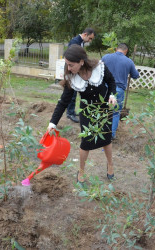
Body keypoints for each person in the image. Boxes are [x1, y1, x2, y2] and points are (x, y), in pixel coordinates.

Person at [47, 44, 117, 183]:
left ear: (81, 62)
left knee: (106, 139)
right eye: (67, 64)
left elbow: (111, 81)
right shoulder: (72, 79)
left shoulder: (99, 68)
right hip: (87, 112)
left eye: (71, 65)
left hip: (104, 110)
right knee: (85, 142)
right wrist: (52, 123)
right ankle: (81, 171)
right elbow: (63, 102)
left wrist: (112, 95)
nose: (68, 68)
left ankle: (110, 164)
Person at [101, 43, 139, 139]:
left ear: (116, 49)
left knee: (103, 109)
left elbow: (98, 69)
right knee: (115, 112)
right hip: (118, 90)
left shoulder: (106, 57)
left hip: (104, 88)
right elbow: (135, 76)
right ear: (125, 52)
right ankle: (111, 135)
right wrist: (132, 66)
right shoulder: (128, 61)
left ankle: (100, 131)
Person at [65, 28, 96, 123]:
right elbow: (71, 58)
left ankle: (72, 111)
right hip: (72, 71)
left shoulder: (80, 42)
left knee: (75, 91)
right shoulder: (75, 42)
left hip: (76, 71)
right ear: (85, 34)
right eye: (90, 38)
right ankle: (70, 113)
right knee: (71, 92)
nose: (90, 41)